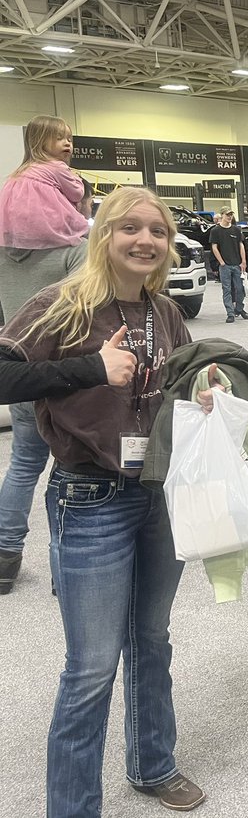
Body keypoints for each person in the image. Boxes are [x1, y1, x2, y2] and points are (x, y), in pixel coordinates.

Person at [0, 186, 206, 815]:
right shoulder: (60, 304)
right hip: (90, 496)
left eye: (158, 231)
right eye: (130, 228)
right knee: (90, 668)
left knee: (153, 638)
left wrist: (200, 387)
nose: (146, 240)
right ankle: (72, 807)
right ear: (102, 235)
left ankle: (152, 764)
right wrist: (91, 369)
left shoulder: (164, 312)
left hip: (159, 494)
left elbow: (165, 385)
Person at [0, 114, 89, 595]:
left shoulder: (2, 237)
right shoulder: (75, 239)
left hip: (18, 368)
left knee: (23, 464)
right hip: (67, 369)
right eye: (62, 137)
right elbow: (88, 310)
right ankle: (67, 568)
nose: (69, 144)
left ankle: (3, 558)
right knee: (71, 469)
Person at [210, 208, 248, 323]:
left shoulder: (236, 230)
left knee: (240, 289)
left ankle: (239, 308)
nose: (229, 217)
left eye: (231, 215)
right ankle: (230, 313)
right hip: (225, 266)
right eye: (227, 215)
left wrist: (243, 261)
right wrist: (221, 262)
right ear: (222, 215)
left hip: (237, 264)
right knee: (227, 289)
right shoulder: (216, 231)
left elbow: (241, 245)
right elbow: (214, 247)